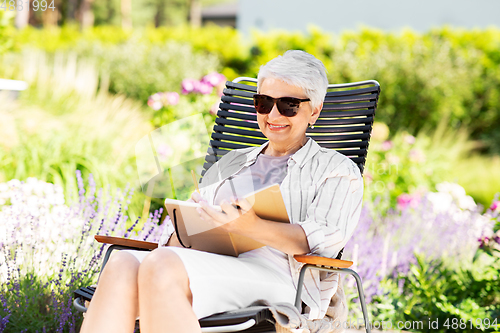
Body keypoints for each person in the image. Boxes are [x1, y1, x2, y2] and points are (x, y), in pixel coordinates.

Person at [80, 50, 363, 333]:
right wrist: (190, 225)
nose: (273, 114)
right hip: (213, 262)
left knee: (162, 264)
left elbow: (321, 242)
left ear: (314, 110)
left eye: (288, 105)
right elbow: (185, 241)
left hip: (282, 277)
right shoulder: (232, 162)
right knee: (122, 264)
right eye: (264, 103)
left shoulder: (337, 171)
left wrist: (252, 226)